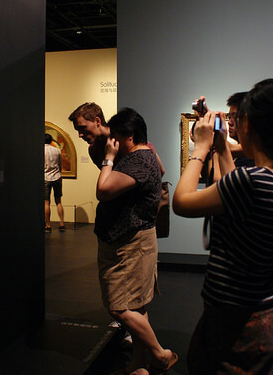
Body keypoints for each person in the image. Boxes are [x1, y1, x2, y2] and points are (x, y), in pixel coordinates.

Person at [173, 79, 273, 374]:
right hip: (267, 317)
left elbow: (181, 202)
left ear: (247, 124)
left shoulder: (252, 181)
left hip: (235, 328)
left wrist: (200, 148)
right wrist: (220, 145)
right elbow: (235, 192)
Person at [94, 107, 177, 374]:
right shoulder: (144, 155)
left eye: (115, 136)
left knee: (119, 307)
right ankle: (139, 364)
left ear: (128, 136)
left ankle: (161, 354)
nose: (112, 141)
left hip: (130, 244)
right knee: (137, 306)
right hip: (129, 240)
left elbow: (104, 190)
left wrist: (108, 158)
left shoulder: (138, 160)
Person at [225, 91, 255, 168]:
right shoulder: (238, 156)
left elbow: (221, 179)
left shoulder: (250, 157)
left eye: (234, 117)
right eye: (229, 117)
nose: (229, 122)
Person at [44, 133, 65, 233]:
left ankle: (48, 225)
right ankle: (62, 223)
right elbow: (60, 165)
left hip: (45, 178)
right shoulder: (57, 150)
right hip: (57, 177)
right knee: (59, 201)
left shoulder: (41, 150)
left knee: (46, 202)